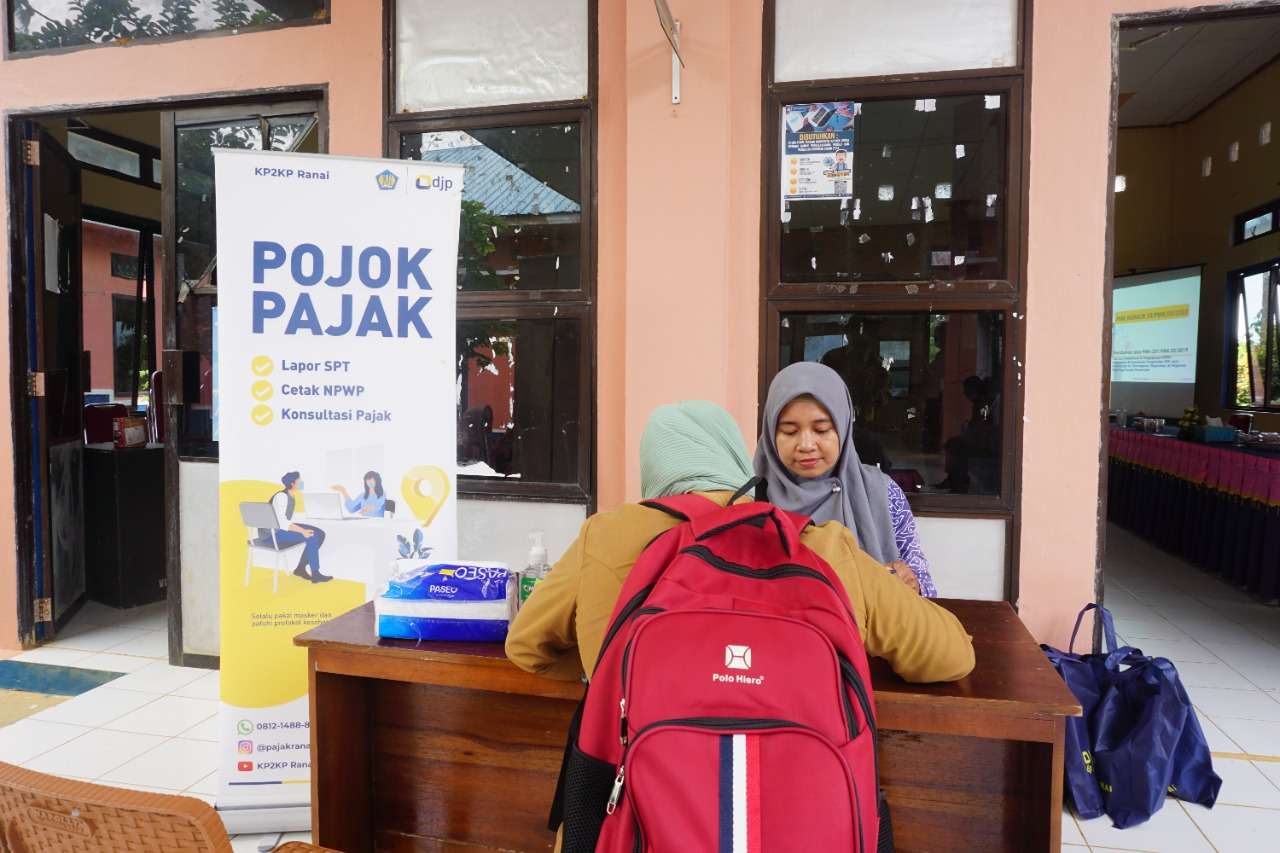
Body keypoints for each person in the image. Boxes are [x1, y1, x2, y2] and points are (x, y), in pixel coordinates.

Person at [506, 400, 971, 685]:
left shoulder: (605, 538)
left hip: (639, 802)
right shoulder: (822, 545)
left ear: (655, 467)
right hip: (789, 800)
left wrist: (603, 668)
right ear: (733, 457)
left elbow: (526, 647)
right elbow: (951, 656)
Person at [755, 362, 938, 597]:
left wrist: (912, 584)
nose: (806, 445)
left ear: (842, 428)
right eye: (790, 431)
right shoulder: (750, 501)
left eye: (821, 430)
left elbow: (926, 588)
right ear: (770, 433)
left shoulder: (882, 493)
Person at [268, 471, 331, 583]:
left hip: (281, 529)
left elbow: (286, 518)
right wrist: (302, 531)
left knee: (320, 534)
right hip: (273, 533)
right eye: (299, 480)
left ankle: (300, 568)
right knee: (311, 536)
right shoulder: (282, 496)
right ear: (293, 483)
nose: (302, 482)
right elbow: (282, 522)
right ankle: (315, 574)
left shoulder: (291, 495)